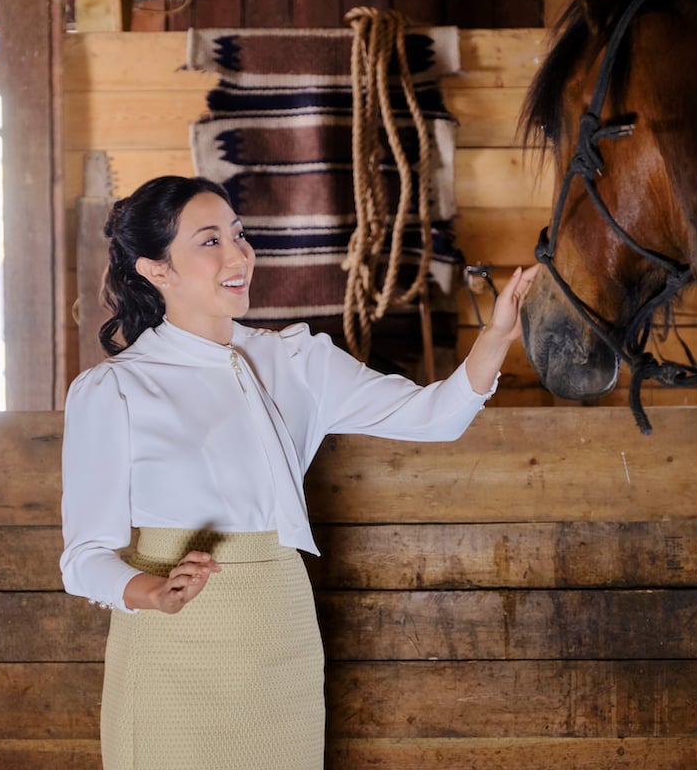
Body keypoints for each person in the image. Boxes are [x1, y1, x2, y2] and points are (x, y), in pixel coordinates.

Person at [59, 176, 538, 770]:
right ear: (157, 269)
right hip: (173, 645)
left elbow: (433, 417)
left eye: (239, 235)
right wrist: (153, 593)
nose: (239, 257)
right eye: (210, 242)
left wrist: (495, 338)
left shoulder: (299, 359)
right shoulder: (114, 390)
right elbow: (83, 560)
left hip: (281, 628)